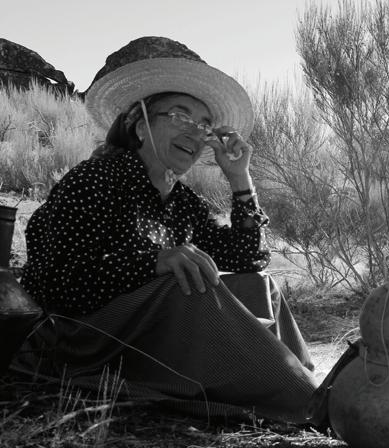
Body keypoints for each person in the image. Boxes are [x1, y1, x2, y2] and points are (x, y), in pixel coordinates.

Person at [12, 37, 324, 424]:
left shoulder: (182, 201)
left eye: (205, 125)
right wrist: (154, 262)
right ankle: (311, 406)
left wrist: (240, 179)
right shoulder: (95, 180)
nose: (196, 133)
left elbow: (249, 257)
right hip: (84, 341)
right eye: (180, 115)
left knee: (258, 286)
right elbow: (56, 284)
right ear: (140, 125)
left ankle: (298, 387)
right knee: (187, 284)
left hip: (148, 333)